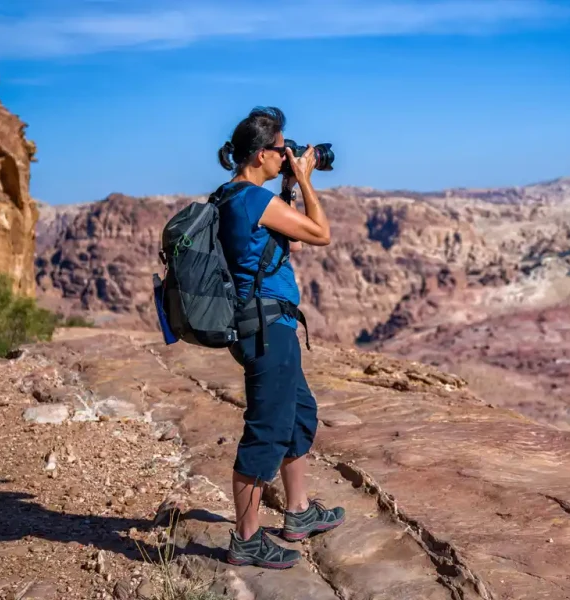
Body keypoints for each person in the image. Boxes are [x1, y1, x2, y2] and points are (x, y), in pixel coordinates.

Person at [215, 107, 344, 569]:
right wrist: (306, 181)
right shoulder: (250, 200)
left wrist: (287, 185)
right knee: (266, 430)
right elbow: (320, 234)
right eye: (281, 149)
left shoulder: (234, 196)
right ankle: (247, 539)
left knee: (297, 414)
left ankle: (298, 512)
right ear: (259, 155)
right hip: (267, 328)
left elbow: (272, 239)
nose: (287, 154)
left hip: (270, 324)